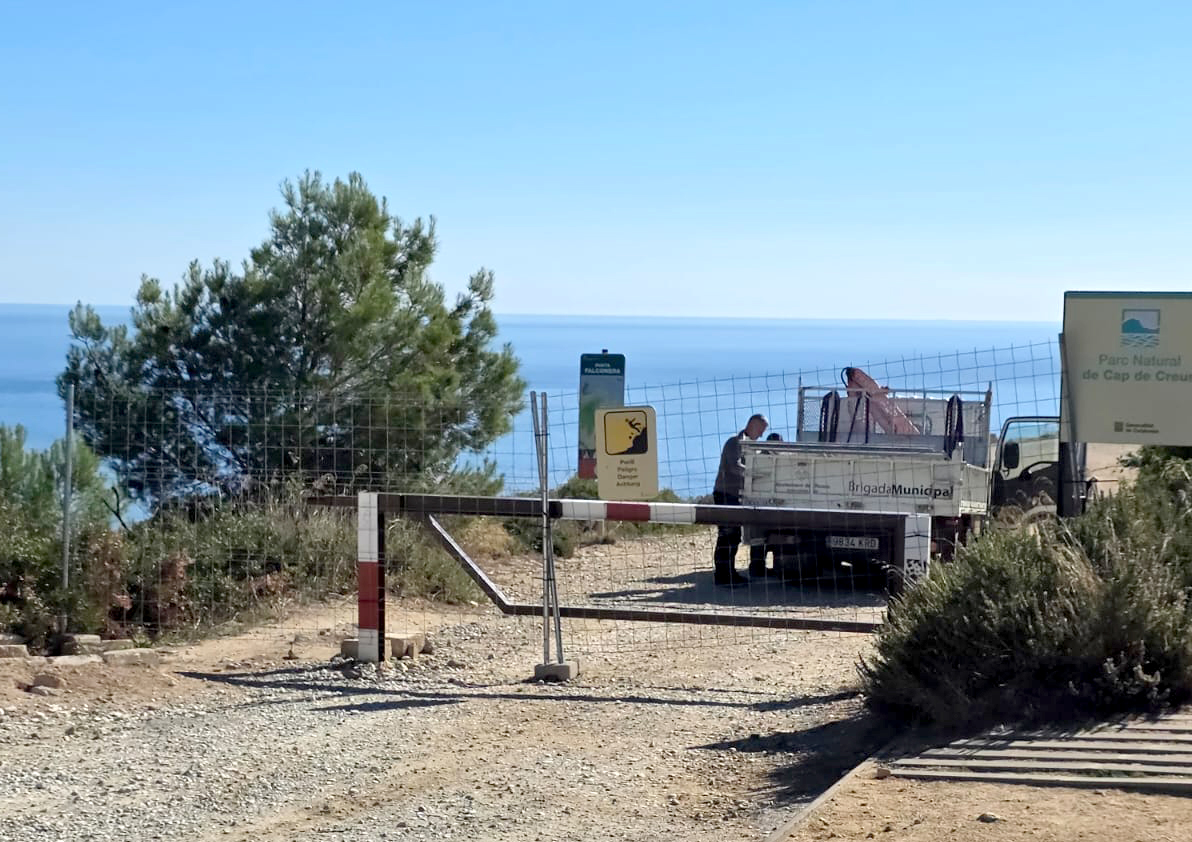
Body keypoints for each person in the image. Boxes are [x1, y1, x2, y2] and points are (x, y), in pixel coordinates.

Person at [712, 413, 768, 587]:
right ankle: (723, 574)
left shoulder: (750, 445)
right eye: (761, 430)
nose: (761, 435)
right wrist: (755, 475)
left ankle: (728, 572)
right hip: (725, 494)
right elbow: (734, 466)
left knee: (733, 535)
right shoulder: (735, 443)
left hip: (735, 495)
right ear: (753, 425)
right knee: (727, 535)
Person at [748, 432, 784, 578]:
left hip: (759, 504)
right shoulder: (781, 459)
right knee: (763, 537)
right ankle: (758, 567)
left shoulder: (757, 458)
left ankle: (757, 567)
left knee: (758, 538)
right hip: (771, 505)